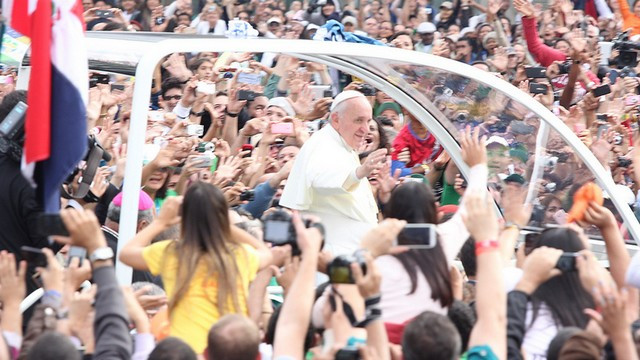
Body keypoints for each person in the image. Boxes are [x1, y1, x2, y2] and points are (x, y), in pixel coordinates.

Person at [119, 182, 272, 353]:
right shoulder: (240, 255)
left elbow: (126, 253)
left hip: (186, 351)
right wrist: (220, 222)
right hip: (228, 351)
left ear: (184, 217)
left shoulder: (173, 253)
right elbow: (266, 254)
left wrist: (160, 222)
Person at [280, 90, 388, 255]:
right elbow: (322, 180)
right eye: (359, 120)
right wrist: (359, 172)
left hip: (352, 248)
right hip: (334, 252)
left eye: (368, 121)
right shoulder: (322, 144)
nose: (365, 129)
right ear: (337, 119)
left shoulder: (343, 143)